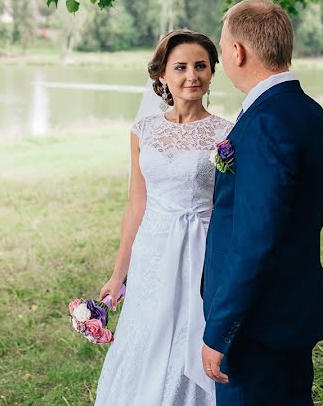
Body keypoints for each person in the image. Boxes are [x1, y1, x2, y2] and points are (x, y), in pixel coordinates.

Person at [201, 0, 323, 405]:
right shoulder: (311, 113)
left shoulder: (264, 124)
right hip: (294, 307)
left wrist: (220, 330)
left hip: (258, 324)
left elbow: (254, 238)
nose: (223, 56)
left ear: (238, 52)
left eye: (223, 47)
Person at [95, 29, 233, 406]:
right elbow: (136, 204)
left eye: (201, 66)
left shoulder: (227, 133)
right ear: (162, 76)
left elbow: (229, 206)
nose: (193, 76)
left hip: (200, 252)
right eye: (182, 67)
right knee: (147, 335)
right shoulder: (143, 131)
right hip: (152, 252)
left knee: (190, 334)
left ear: (211, 72)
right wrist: (118, 274)